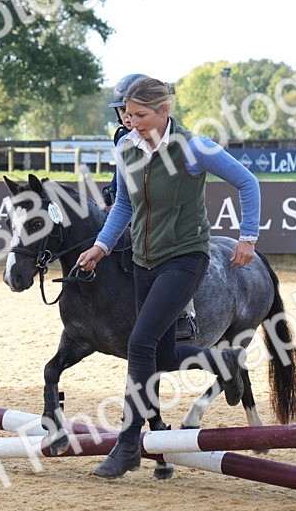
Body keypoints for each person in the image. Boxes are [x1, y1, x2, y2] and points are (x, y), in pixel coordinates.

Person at [76, 75, 261, 479]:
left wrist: (247, 237)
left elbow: (248, 182)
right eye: (128, 113)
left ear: (165, 110)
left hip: (185, 257)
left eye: (140, 114)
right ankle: (224, 360)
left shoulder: (194, 147)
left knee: (138, 343)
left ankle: (127, 444)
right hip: (143, 261)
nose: (131, 121)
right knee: (157, 356)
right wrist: (101, 247)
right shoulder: (126, 147)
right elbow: (124, 205)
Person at [104, 73, 198, 342]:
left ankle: (184, 314)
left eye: (129, 110)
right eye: (121, 111)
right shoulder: (123, 139)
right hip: (131, 207)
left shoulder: (169, 138)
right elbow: (122, 180)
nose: (125, 116)